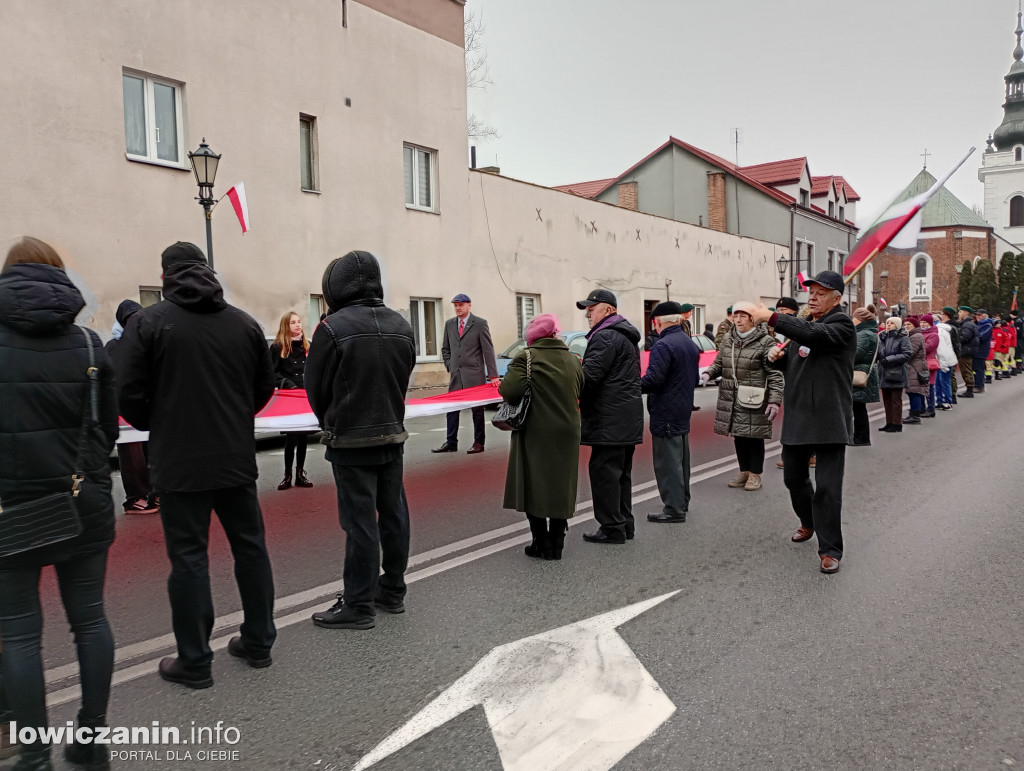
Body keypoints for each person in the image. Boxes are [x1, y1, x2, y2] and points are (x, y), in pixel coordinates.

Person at [119, 242, 277, 687]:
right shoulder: (244, 324)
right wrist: (232, 416)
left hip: (179, 462)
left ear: (166, 275)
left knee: (189, 558)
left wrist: (160, 422)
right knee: (250, 547)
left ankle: (194, 660)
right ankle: (260, 640)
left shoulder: (148, 323)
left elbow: (127, 392)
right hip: (234, 457)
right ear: (207, 272)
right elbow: (262, 389)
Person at [0, 237, 118, 770]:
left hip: (10, 508)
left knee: (20, 634)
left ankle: (33, 756)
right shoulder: (92, 346)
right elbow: (106, 432)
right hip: (83, 499)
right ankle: (91, 742)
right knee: (89, 621)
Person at [307, 251, 416, 629]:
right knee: (394, 515)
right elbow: (404, 376)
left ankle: (358, 603)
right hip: (391, 432)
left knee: (360, 524)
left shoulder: (332, 328)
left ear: (335, 287)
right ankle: (394, 588)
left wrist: (332, 423)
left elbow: (316, 389)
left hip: (351, 441)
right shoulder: (401, 324)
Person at [755, 270, 855, 574]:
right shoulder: (807, 326)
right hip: (800, 416)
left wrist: (770, 317)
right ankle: (808, 522)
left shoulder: (841, 324)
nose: (813, 297)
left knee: (827, 488)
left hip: (828, 418)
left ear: (837, 298)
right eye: (810, 292)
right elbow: (799, 362)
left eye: (821, 293)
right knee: (793, 479)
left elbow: (816, 339)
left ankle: (830, 549)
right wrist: (774, 358)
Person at [499, 314, 583, 558]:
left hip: (536, 431)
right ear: (555, 333)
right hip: (568, 431)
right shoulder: (572, 358)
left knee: (533, 484)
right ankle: (557, 542)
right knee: (561, 485)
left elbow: (509, 391)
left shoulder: (525, 357)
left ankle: (541, 542)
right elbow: (581, 388)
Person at [576, 288, 643, 544]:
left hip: (609, 420)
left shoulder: (605, 337)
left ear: (608, 310)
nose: (588, 314)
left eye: (591, 309)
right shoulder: (624, 335)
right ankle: (624, 524)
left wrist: (574, 371)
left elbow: (589, 378)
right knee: (620, 475)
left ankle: (612, 527)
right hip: (624, 418)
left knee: (605, 474)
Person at [703, 301, 784, 491]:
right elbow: (719, 363)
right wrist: (709, 373)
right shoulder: (728, 340)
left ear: (752, 319)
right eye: (735, 316)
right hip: (731, 395)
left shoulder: (766, 342)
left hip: (754, 397)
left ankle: (756, 475)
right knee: (739, 436)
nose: (737, 320)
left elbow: (775, 374)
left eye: (742, 316)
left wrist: (774, 400)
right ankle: (744, 471)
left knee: (754, 436)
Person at [640, 302, 701, 521]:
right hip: (682, 408)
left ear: (658, 322)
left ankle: (673, 509)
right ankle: (681, 502)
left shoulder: (663, 345)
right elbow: (694, 379)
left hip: (665, 410)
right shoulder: (689, 343)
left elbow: (654, 380)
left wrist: (632, 385)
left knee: (668, 463)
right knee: (681, 460)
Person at [105, 298, 159, 514]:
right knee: (132, 452)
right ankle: (136, 496)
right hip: (123, 408)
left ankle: (154, 492)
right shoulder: (112, 346)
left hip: (147, 405)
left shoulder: (149, 343)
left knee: (153, 451)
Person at [433, 293, 499, 455]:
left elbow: (488, 350)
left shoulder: (480, 324)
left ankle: (478, 442)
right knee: (452, 409)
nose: (457, 308)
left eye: (460, 305)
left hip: (474, 374)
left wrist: (493, 375)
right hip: (456, 374)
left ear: (469, 305)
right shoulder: (449, 325)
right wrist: (450, 365)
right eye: (455, 305)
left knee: (477, 410)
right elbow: (445, 349)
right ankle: (451, 442)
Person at [270, 311, 314, 490]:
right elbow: (272, 373)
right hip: (289, 396)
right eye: (293, 322)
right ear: (286, 326)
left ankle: (300, 474)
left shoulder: (307, 346)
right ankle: (287, 475)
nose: (297, 325)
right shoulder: (277, 347)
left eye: (299, 322)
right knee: (292, 436)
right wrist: (286, 383)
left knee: (303, 436)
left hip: (304, 395)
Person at [877, 316, 912, 433]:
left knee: (896, 399)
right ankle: (889, 422)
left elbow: (907, 354)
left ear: (897, 325)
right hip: (884, 371)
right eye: (887, 323)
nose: (888, 325)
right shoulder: (883, 337)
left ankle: (897, 423)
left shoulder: (903, 337)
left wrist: (890, 359)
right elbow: (879, 353)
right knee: (886, 399)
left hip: (897, 372)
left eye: (892, 323)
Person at [851, 306, 880, 445]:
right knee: (858, 407)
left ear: (860, 320)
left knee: (858, 408)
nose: (852, 320)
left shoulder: (864, 334)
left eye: (854, 318)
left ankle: (861, 438)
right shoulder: (868, 332)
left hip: (859, 372)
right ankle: (859, 436)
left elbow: (855, 354)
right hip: (861, 370)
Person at [902, 316, 929, 424]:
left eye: (909, 324)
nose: (906, 326)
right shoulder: (913, 335)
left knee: (914, 390)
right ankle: (914, 412)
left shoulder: (916, 336)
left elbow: (910, 352)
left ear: (914, 325)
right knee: (912, 391)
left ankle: (915, 415)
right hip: (914, 366)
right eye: (905, 325)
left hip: (915, 367)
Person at [935, 311, 958, 409]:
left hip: (945, 360)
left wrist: (943, 363)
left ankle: (947, 401)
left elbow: (942, 349)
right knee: (938, 382)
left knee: (944, 381)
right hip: (939, 360)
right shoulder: (938, 330)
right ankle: (939, 400)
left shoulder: (939, 332)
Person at [939, 307, 962, 404]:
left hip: (949, 354)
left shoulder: (950, 327)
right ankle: (949, 395)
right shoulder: (948, 326)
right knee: (948, 377)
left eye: (942, 314)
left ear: (946, 315)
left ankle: (952, 395)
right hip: (949, 353)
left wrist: (956, 354)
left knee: (949, 376)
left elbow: (955, 343)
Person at [919, 314, 940, 417]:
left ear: (930, 323)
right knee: (920, 387)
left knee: (929, 386)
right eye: (921, 322)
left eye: (925, 322)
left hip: (929, 363)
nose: (922, 324)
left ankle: (931, 408)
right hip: (919, 363)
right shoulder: (920, 333)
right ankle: (922, 408)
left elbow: (928, 347)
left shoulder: (934, 335)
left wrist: (916, 346)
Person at [957, 306, 978, 398]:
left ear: (966, 313)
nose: (959, 313)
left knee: (966, 370)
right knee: (966, 369)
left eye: (960, 312)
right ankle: (969, 388)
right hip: (967, 350)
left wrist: (955, 340)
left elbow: (965, 337)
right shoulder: (967, 323)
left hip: (966, 350)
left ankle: (969, 390)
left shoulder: (967, 324)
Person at [974, 309, 993, 392]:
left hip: (982, 349)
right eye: (977, 315)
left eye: (980, 315)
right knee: (976, 368)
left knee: (979, 369)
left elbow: (982, 336)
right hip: (977, 349)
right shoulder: (978, 324)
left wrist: (973, 336)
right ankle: (976, 384)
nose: (978, 317)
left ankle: (980, 386)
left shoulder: (987, 325)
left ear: (984, 315)